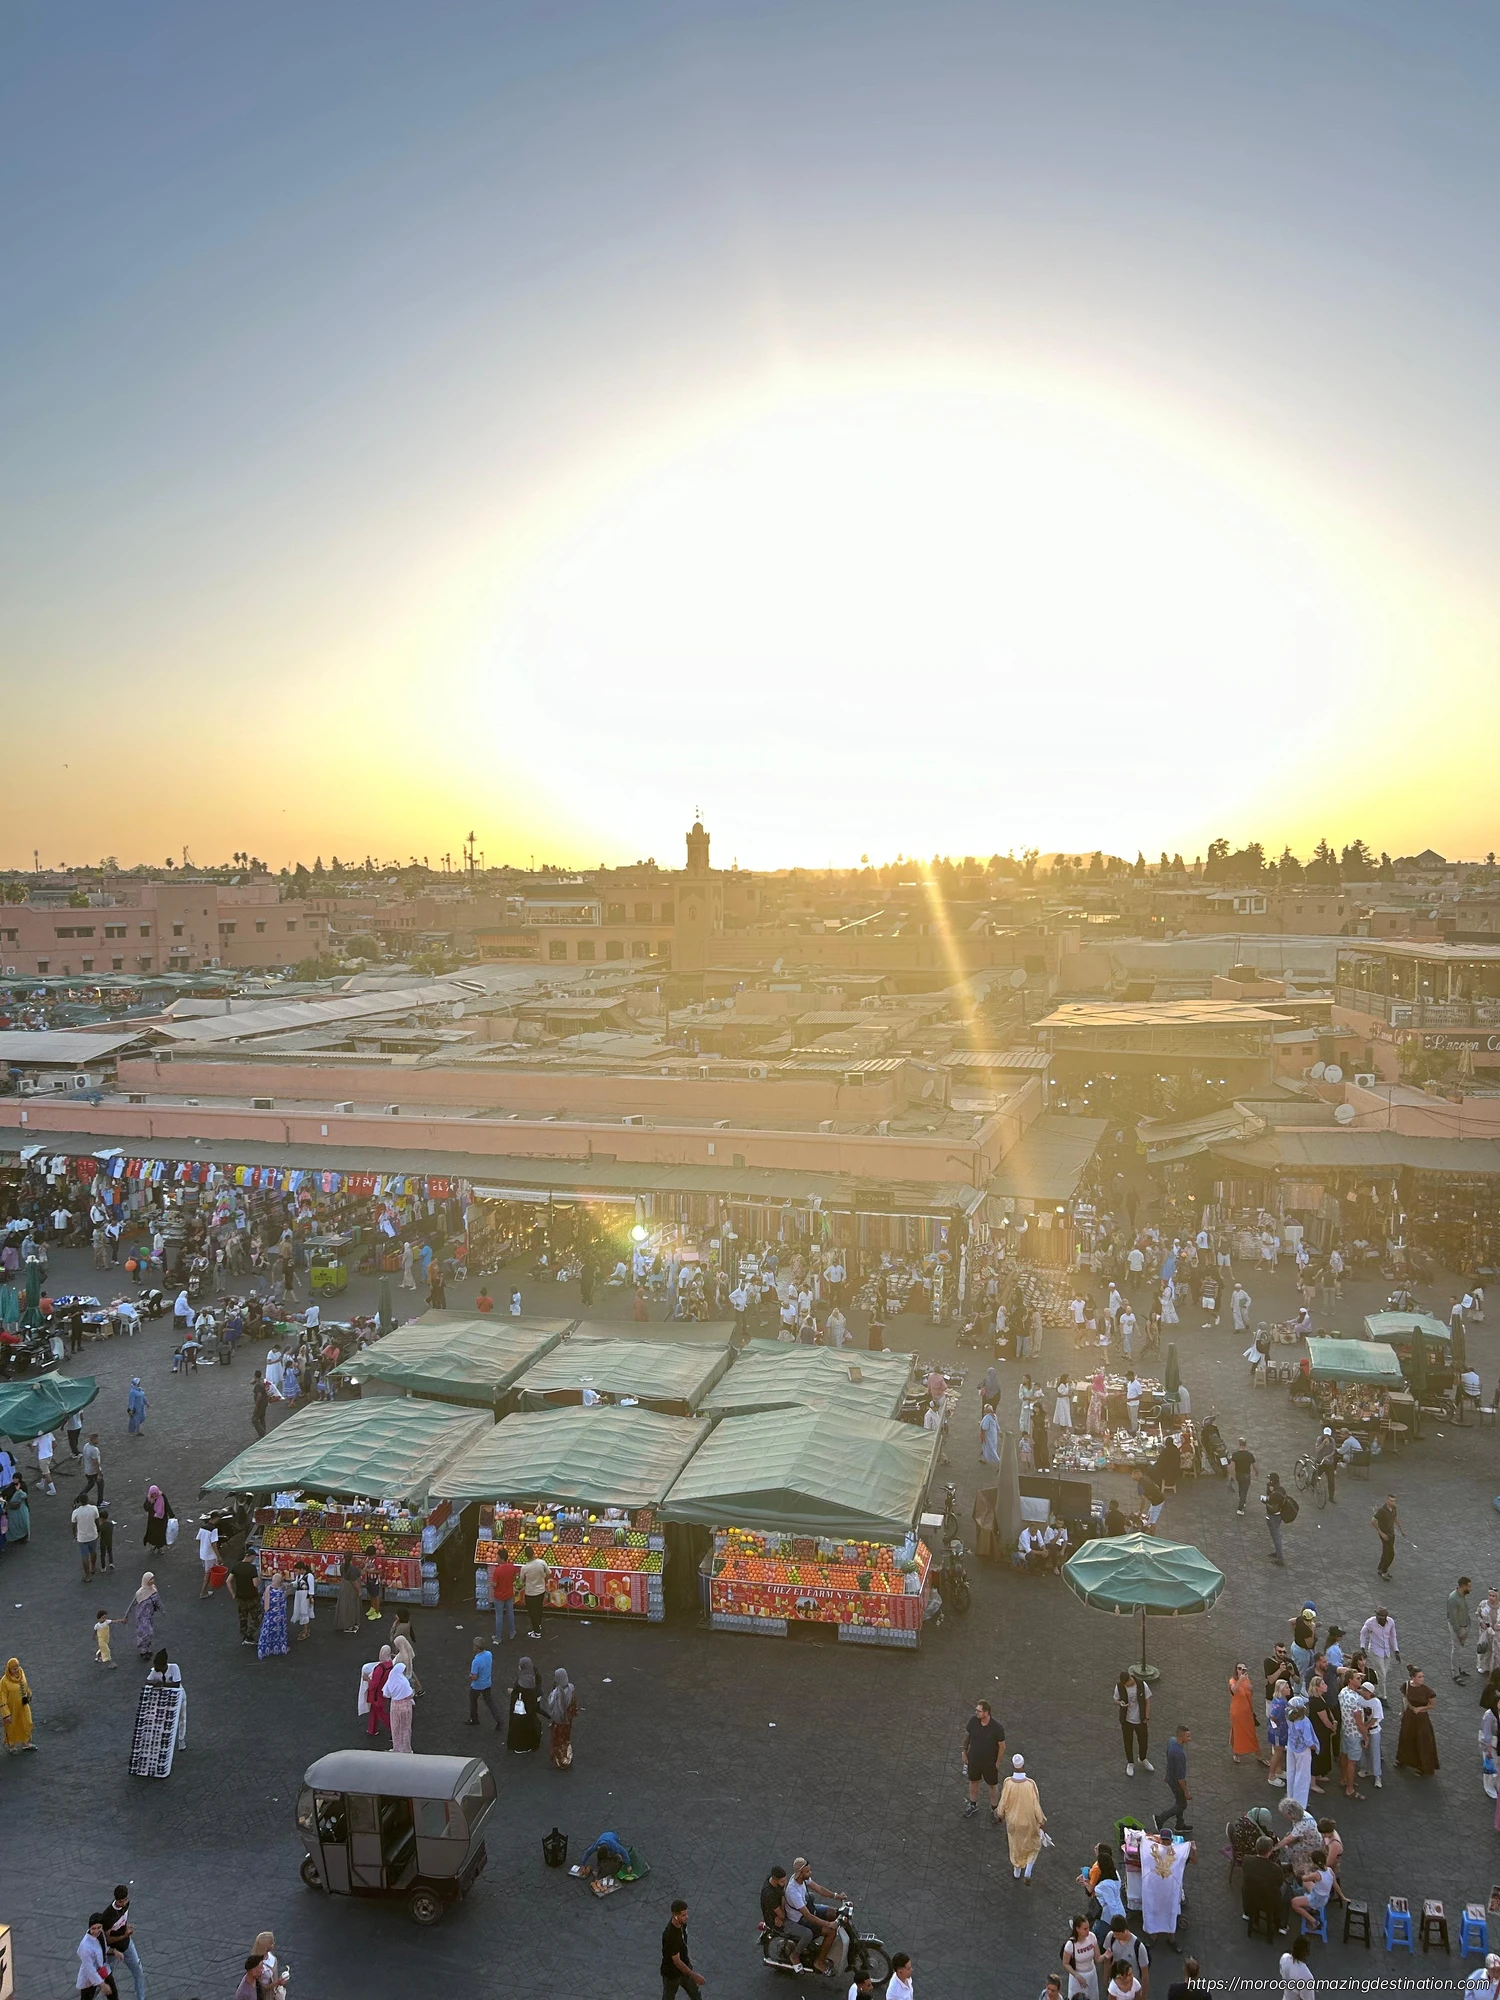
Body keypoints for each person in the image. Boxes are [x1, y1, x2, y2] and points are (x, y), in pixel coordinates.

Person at [785, 1858, 841, 1975]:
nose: (810, 1873)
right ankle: (819, 1962)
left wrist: (837, 1896)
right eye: (807, 1871)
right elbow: (808, 1916)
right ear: (800, 1874)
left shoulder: (803, 1880)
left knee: (834, 1913)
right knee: (831, 1932)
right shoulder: (793, 1892)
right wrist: (828, 1924)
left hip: (808, 1907)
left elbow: (819, 1889)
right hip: (800, 1919)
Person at [1140, 1829, 1193, 1950]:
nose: (1165, 1843)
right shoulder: (1154, 1849)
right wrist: (1144, 1842)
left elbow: (1191, 1860)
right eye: (1163, 1840)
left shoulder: (1176, 1852)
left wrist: (1191, 1849)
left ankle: (1172, 1939)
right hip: (1155, 1889)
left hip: (1170, 1891)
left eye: (1167, 1840)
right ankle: (1154, 1936)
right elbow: (1146, 1856)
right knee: (1154, 1910)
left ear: (1171, 1841)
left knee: (1171, 1912)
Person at [997, 1752, 1046, 1880]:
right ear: (1023, 1765)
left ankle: (1017, 1871)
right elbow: (1036, 1805)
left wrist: (1000, 1815)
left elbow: (1002, 1802)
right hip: (1028, 1822)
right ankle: (1028, 1869)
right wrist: (1041, 1821)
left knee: (1015, 1846)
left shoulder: (1008, 1782)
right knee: (1033, 1845)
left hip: (1013, 1823)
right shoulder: (1030, 1784)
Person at [761, 1866, 814, 1963]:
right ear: (775, 1879)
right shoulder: (770, 1895)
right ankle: (795, 1956)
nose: (784, 1883)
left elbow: (783, 1893)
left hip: (782, 1910)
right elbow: (782, 1916)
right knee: (807, 1934)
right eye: (782, 1881)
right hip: (778, 1921)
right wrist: (784, 1904)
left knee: (809, 1897)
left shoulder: (772, 1881)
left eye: (785, 1880)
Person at [962, 1698, 1005, 1817]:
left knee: (992, 1785)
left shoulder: (997, 1728)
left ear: (986, 1712)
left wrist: (997, 1763)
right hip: (974, 1760)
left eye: (979, 1711)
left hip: (989, 1763)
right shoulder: (973, 1721)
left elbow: (1002, 1746)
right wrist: (964, 1751)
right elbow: (968, 1736)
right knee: (973, 1781)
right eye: (976, 1710)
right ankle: (973, 1805)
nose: (976, 1713)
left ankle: (994, 1809)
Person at [101, 1886, 144, 2000]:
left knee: (138, 1971)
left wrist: (125, 1928)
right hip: (113, 1951)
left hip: (127, 1945)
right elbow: (108, 1939)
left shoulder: (126, 1904)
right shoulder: (108, 1916)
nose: (123, 1904)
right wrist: (125, 1934)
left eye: (125, 1900)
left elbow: (123, 1920)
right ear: (116, 1900)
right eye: (121, 1901)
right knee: (105, 1977)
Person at [1396, 1667, 1439, 1774]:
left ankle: (1423, 1766)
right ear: (1413, 1678)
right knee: (1406, 1737)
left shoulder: (1427, 1691)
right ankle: (1403, 1760)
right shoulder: (1406, 1686)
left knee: (1422, 1741)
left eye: (1422, 1676)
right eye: (1419, 1677)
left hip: (1421, 1718)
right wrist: (1403, 1712)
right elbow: (1404, 1700)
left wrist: (1420, 1708)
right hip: (1409, 1716)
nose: (1422, 1679)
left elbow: (1432, 1705)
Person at [1241, 1833, 1283, 1934]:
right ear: (1269, 1852)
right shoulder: (1275, 1869)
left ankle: (1247, 1912)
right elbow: (1279, 1883)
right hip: (1268, 1901)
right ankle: (1281, 1924)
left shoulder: (1246, 1859)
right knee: (1285, 1893)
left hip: (1250, 1897)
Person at [661, 1899, 703, 1998]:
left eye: (686, 1914)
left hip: (685, 1968)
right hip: (672, 1974)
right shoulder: (670, 1935)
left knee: (695, 1995)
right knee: (669, 1997)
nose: (686, 1917)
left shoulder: (681, 1924)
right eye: (683, 1915)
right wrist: (694, 1975)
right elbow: (677, 1961)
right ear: (675, 1916)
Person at [1155, 1722, 1192, 1831]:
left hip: (1170, 1777)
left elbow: (1169, 1759)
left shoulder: (1171, 1741)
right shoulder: (1180, 1754)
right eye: (1188, 1736)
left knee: (1179, 1802)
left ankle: (1180, 1824)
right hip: (1176, 1782)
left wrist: (1167, 1774)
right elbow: (1181, 1779)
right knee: (1182, 1805)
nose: (1190, 1739)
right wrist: (1186, 1792)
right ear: (1181, 1737)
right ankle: (1161, 1818)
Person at [1359, 1607, 1400, 1699]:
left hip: (1387, 1652)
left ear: (1385, 1617)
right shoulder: (1370, 1622)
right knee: (1382, 1675)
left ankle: (1374, 1687)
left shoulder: (1391, 1622)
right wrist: (1362, 1648)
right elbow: (1363, 1634)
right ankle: (1382, 1695)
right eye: (1378, 1617)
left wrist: (1396, 1651)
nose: (1379, 1620)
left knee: (1382, 1674)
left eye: (1382, 1618)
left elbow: (1393, 1637)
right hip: (1375, 1651)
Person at [1117, 1670, 1151, 1776]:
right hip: (1126, 1721)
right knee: (1128, 1742)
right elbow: (1116, 1699)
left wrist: (1146, 1716)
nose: (1130, 1683)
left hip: (1140, 1720)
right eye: (1127, 1683)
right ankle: (1130, 1763)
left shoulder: (1141, 1685)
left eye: (1130, 1680)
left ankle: (1142, 1758)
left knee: (1143, 1741)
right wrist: (1120, 1703)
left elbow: (1147, 1701)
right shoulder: (1119, 1687)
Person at [123, 1571, 163, 1661]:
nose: (152, 1581)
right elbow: (132, 1604)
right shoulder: (140, 1593)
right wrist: (126, 1616)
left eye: (153, 1578)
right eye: (150, 1579)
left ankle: (145, 1649)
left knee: (148, 1633)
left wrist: (162, 1609)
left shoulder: (153, 1590)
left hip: (149, 1616)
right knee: (145, 1633)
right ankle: (143, 1651)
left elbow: (158, 1601)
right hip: (141, 1616)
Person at [1286, 1696, 1317, 1809]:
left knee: (1291, 1772)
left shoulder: (1289, 1718)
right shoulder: (1304, 1721)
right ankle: (1300, 1804)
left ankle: (1290, 1799)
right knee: (1303, 1777)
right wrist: (1315, 1747)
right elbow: (1309, 1741)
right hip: (1303, 1751)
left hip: (1291, 1746)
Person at [1062, 1912, 1102, 1999]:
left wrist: (1106, 1955)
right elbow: (1065, 1963)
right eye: (1085, 1929)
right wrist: (1077, 1976)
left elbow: (1097, 1959)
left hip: (1092, 1975)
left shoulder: (1092, 1937)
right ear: (1077, 1929)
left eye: (1088, 1928)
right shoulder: (1070, 1945)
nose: (1088, 1931)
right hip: (1078, 1978)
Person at [507, 1654, 540, 1754]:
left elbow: (520, 1694)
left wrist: (512, 1692)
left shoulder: (523, 1680)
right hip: (531, 1708)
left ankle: (521, 1746)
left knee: (519, 1728)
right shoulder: (534, 1675)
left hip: (522, 1710)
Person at [1, 1656, 35, 1753]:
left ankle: (26, 1743)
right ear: (9, 1669)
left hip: (24, 1705)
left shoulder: (21, 1672)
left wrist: (29, 1694)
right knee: (12, 1726)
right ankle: (12, 1746)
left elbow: (25, 1684)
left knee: (27, 1723)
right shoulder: (4, 1681)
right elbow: (2, 1698)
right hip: (12, 1708)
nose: (16, 1670)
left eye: (17, 1667)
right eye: (14, 1669)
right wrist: (6, 1714)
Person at [545, 1664, 577, 1768]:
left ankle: (559, 1759)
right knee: (565, 1738)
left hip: (559, 1720)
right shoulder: (571, 1688)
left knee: (557, 1739)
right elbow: (574, 1704)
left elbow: (551, 1704)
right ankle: (566, 1757)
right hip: (568, 1719)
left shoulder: (556, 1692)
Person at [1229, 1663, 1261, 1765]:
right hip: (1237, 1712)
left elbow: (1249, 1694)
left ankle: (1258, 1754)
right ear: (1236, 1670)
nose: (1241, 1670)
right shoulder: (1233, 1681)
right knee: (1237, 1732)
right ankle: (1236, 1752)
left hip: (1247, 1712)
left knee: (1251, 1733)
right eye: (1239, 1668)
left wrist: (1251, 1689)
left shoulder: (1247, 1680)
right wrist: (1241, 1680)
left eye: (1244, 1668)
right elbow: (1233, 1690)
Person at [468, 1637, 501, 1730]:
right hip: (487, 1683)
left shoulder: (476, 1661)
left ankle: (474, 1719)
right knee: (490, 1702)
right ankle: (498, 1720)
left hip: (477, 1686)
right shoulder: (489, 1654)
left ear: (477, 1648)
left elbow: (474, 1677)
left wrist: (470, 1676)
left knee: (473, 1702)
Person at [228, 1551, 260, 1645]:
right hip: (252, 1598)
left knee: (243, 1617)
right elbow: (255, 1584)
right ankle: (249, 1636)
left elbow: (228, 1581)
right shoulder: (252, 1568)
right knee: (257, 1617)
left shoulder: (236, 1566)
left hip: (240, 1597)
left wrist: (233, 1594)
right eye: (254, 1557)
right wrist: (260, 1578)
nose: (254, 1559)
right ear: (250, 1557)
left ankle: (244, 1634)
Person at [257, 1570, 289, 1660]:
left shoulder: (268, 1589)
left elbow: (263, 1601)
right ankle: (280, 1648)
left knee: (267, 1632)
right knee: (280, 1633)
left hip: (269, 1616)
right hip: (280, 1617)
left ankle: (264, 1649)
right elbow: (284, 1603)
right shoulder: (281, 1592)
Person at [519, 1543, 548, 1638]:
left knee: (532, 1612)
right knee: (539, 1609)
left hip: (531, 1593)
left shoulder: (525, 1568)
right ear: (534, 1553)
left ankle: (537, 1632)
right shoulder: (542, 1563)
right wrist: (544, 1580)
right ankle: (538, 1625)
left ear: (526, 1556)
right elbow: (549, 1573)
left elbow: (521, 1580)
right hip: (541, 1591)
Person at [76, 1917, 110, 1999]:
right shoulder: (86, 1946)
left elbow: (103, 1949)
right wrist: (102, 1984)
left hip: (100, 1972)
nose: (96, 1931)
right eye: (93, 1928)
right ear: (89, 1928)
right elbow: (89, 1969)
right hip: (88, 1978)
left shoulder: (100, 1935)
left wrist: (114, 1951)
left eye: (99, 1927)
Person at [386, 1656, 415, 1751]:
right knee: (405, 1728)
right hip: (406, 1706)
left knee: (396, 1728)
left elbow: (386, 1694)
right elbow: (410, 1694)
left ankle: (397, 1748)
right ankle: (406, 1749)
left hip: (395, 1706)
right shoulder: (404, 1682)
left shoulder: (391, 1680)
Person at [490, 1549, 518, 1643]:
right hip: (509, 1594)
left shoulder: (497, 1570)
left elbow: (494, 1584)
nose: (496, 1558)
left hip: (499, 1596)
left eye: (497, 1556)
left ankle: (498, 1637)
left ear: (501, 1559)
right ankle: (512, 1632)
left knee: (499, 1616)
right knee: (510, 1614)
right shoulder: (511, 1567)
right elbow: (514, 1578)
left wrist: (491, 1584)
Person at [1450, 1576, 1474, 1684]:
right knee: (1456, 1649)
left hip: (1464, 1626)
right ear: (1463, 1586)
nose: (1470, 1588)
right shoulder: (1453, 1599)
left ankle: (1459, 1668)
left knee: (1461, 1648)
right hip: (1458, 1629)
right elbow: (1453, 1619)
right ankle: (1455, 1674)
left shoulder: (1462, 1596)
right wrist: (1459, 1632)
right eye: (1469, 1586)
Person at [1372, 1494, 1403, 1577]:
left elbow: (1395, 1518)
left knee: (1386, 1551)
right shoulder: (1382, 1510)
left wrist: (1401, 1529)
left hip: (1391, 1533)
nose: (1393, 1502)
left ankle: (1380, 1567)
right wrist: (1381, 1533)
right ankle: (1384, 1571)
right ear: (1387, 1500)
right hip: (1385, 1534)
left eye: (1394, 1501)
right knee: (1391, 1554)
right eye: (1391, 1500)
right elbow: (1373, 1521)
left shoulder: (1393, 1508)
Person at [72, 1494, 101, 1580]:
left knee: (84, 1556)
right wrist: (98, 1531)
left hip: (82, 1537)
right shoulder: (94, 1509)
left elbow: (73, 1525)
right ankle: (93, 1567)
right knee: (93, 1552)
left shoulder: (76, 1512)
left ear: (80, 1502)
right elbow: (97, 1521)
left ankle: (87, 1575)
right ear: (88, 1500)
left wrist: (75, 1534)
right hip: (92, 1535)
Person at [1264, 1474, 1291, 1565]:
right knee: (1275, 1535)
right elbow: (1270, 1495)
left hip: (1273, 1517)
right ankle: (1277, 1552)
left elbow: (1273, 1508)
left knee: (1276, 1537)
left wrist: (1265, 1502)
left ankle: (1280, 1559)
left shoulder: (1275, 1495)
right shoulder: (1281, 1489)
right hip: (1279, 1516)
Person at [141, 1485, 173, 1553]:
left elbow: (167, 1505)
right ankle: (153, 1545)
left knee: (160, 1534)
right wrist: (150, 1503)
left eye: (155, 1493)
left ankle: (159, 1547)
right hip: (153, 1520)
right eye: (153, 1494)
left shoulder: (162, 1497)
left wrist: (171, 1515)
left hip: (161, 1519)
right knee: (153, 1533)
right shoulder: (149, 1499)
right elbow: (146, 1508)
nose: (154, 1495)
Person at [335, 1555, 361, 1634]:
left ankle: (343, 1623)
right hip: (350, 1589)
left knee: (344, 1606)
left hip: (344, 1587)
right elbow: (354, 1582)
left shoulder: (342, 1566)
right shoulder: (352, 1569)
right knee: (350, 1607)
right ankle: (349, 1625)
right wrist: (359, 1590)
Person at [195, 1516, 219, 1599]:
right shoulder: (214, 1530)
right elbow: (214, 1544)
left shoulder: (202, 1528)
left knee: (209, 1571)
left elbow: (198, 1539)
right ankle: (203, 1592)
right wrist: (218, 1556)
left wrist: (201, 1549)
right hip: (210, 1555)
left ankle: (209, 1587)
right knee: (208, 1573)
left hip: (203, 1554)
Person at [290, 1565, 315, 1642]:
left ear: (301, 1569)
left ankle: (306, 1631)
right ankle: (305, 1629)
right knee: (300, 1610)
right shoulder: (300, 1576)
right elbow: (296, 1583)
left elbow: (311, 1587)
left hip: (305, 1596)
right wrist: (290, 1584)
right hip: (299, 1596)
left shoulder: (309, 1576)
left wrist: (311, 1597)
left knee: (304, 1611)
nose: (296, 1572)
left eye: (297, 1570)